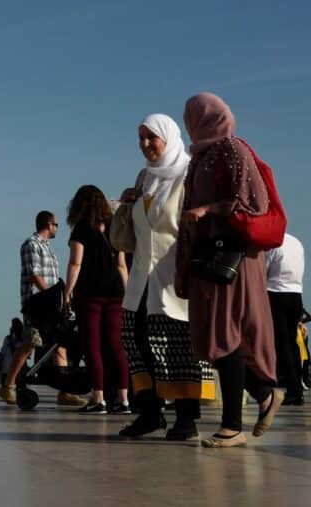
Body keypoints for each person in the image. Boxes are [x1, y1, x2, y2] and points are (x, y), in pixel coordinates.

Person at [175, 92, 282, 448]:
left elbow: (252, 202)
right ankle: (265, 394)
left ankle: (233, 426)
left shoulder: (232, 150)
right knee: (213, 337)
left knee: (226, 332)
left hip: (231, 256)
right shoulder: (201, 157)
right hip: (208, 256)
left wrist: (207, 211)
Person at [114, 114, 213, 440]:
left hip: (175, 276)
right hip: (142, 276)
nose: (145, 145)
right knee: (138, 341)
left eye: (151, 138)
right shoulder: (145, 178)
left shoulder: (188, 175)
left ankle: (186, 418)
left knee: (177, 346)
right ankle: (150, 413)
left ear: (168, 138)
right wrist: (127, 204)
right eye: (141, 138)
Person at [2, 212, 87, 407]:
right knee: (30, 342)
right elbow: (35, 276)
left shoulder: (48, 249)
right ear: (49, 225)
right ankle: (9, 385)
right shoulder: (31, 245)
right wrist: (52, 298)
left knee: (60, 344)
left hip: (51, 304)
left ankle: (66, 391)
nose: (57, 228)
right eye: (56, 224)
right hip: (37, 304)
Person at [64, 185, 131, 415]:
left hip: (90, 292)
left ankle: (98, 397)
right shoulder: (114, 228)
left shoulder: (80, 230)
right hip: (115, 292)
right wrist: (128, 291)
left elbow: (75, 263)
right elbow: (121, 264)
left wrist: (67, 292)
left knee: (92, 346)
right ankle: (123, 399)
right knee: (115, 345)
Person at [266, 234, 305, 405]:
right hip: (296, 294)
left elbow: (263, 271)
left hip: (276, 294)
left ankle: (293, 390)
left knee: (282, 345)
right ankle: (297, 387)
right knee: (292, 343)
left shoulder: (273, 242)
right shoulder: (296, 242)